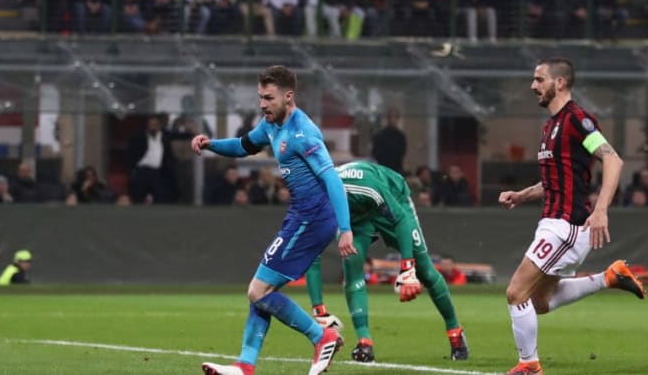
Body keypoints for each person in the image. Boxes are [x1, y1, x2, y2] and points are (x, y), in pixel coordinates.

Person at [192, 65, 355, 375]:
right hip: (299, 216)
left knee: (258, 290)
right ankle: (245, 365)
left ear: (288, 96)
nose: (262, 104)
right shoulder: (270, 126)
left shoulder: (302, 132)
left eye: (268, 98)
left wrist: (345, 229)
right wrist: (211, 144)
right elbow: (243, 146)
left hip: (313, 217)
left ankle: (323, 337)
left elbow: (332, 178)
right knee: (261, 291)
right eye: (260, 97)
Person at [498, 57, 646, 375]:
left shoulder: (578, 120)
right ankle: (609, 277)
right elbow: (555, 180)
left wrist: (601, 209)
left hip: (565, 226)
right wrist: (522, 195)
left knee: (515, 292)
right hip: (553, 222)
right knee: (539, 302)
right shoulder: (550, 126)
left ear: (560, 83)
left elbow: (613, 160)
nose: (533, 85)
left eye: (539, 79)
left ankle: (529, 366)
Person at [305, 160, 468, 363]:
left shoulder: (364, 186)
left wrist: (407, 269)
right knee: (352, 264)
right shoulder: (313, 202)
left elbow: (399, 219)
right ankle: (364, 342)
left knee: (424, 270)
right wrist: (318, 310)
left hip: (392, 199)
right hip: (356, 215)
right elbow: (311, 254)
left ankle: (455, 332)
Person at [371, 107, 406, 174]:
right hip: (383, 168)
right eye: (391, 117)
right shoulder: (380, 135)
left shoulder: (400, 136)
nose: (392, 120)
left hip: (396, 168)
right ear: (388, 118)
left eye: (395, 117)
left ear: (397, 119)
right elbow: (375, 152)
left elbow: (402, 152)